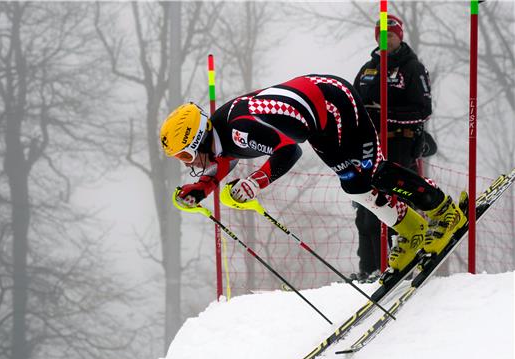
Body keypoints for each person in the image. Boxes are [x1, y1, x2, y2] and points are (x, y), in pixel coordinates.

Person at [159, 74, 465, 286]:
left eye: (186, 156)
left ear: (198, 139)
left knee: (374, 170)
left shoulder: (240, 128)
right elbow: (224, 160)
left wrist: (256, 182)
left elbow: (289, 151)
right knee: (354, 185)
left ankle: (444, 210)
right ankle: (412, 230)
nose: (188, 164)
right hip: (318, 125)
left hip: (334, 102)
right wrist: (201, 189)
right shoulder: (221, 136)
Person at [352, 15, 434, 282]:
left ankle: (407, 261)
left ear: (400, 36)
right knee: (366, 207)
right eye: (382, 36)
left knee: (398, 203)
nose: (387, 41)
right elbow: (352, 106)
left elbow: (423, 110)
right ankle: (370, 270)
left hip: (400, 145)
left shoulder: (412, 68)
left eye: (392, 35)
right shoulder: (367, 69)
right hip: (370, 147)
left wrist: (386, 114)